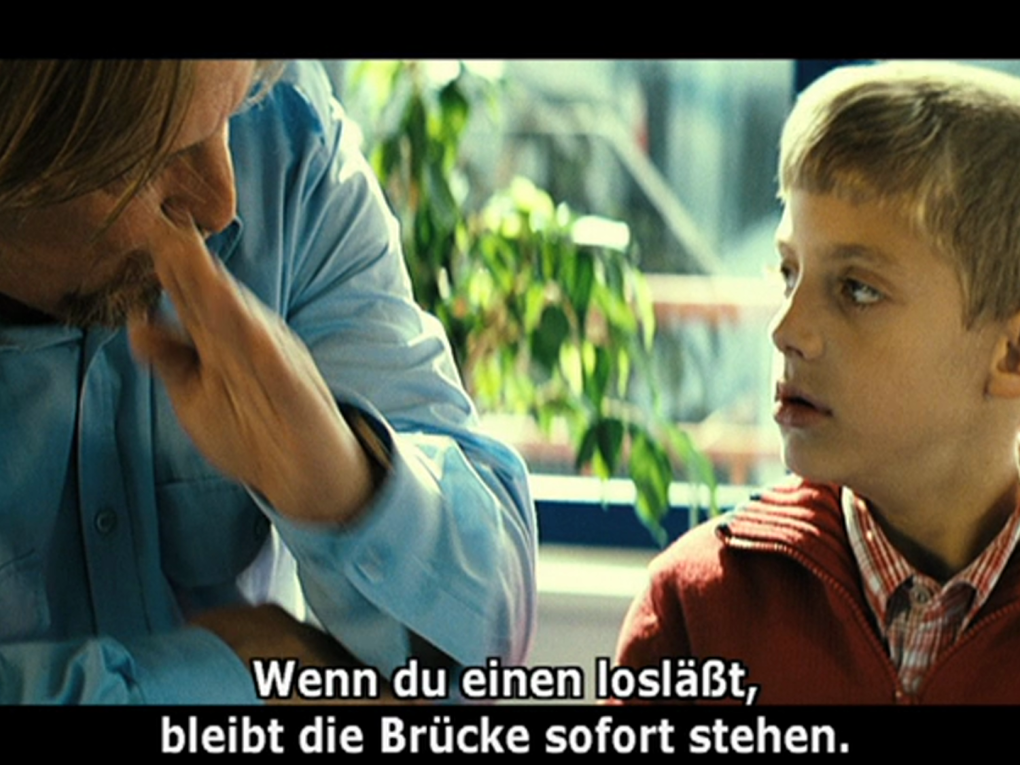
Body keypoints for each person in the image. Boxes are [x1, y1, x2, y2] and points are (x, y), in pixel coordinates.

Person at [0, 60, 536, 703]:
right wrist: (238, 688)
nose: (223, 204)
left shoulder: (286, 144)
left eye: (234, 108)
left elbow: (488, 653)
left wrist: (348, 486)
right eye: (145, 159)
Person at [614, 60, 1020, 704]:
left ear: (1012, 355)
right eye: (788, 272)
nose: (786, 329)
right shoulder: (696, 607)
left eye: (857, 289)